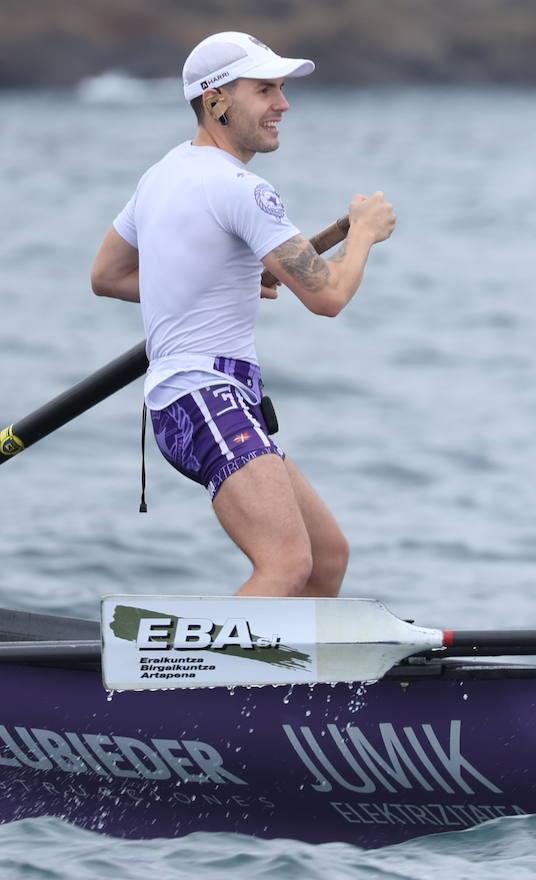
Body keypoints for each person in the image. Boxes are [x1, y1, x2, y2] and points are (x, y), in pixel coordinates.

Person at [89, 31, 397, 597]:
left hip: (201, 398)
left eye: (281, 89)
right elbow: (327, 296)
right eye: (265, 90)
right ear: (216, 102)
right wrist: (365, 235)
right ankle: (198, 683)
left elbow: (107, 276)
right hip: (204, 394)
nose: (283, 104)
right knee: (285, 564)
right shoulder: (244, 190)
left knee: (327, 555)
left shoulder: (160, 175)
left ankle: (297, 681)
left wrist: (212, 281)